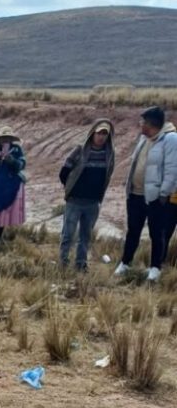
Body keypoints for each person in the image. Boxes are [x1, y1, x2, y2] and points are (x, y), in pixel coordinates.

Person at [115, 106, 177, 283]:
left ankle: (155, 269)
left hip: (155, 197)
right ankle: (125, 263)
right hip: (135, 194)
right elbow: (137, 163)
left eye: (142, 122)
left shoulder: (171, 139)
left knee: (157, 233)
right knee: (133, 231)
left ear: (151, 124)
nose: (140, 125)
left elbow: (173, 170)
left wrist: (164, 193)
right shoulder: (144, 138)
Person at [57, 120, 115, 272]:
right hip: (75, 201)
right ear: (92, 133)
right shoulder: (80, 150)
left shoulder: (109, 154)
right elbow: (64, 171)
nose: (101, 137)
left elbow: (108, 175)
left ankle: (81, 264)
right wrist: (70, 188)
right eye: (99, 133)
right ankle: (63, 262)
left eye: (104, 134)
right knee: (68, 234)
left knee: (86, 236)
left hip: (93, 202)